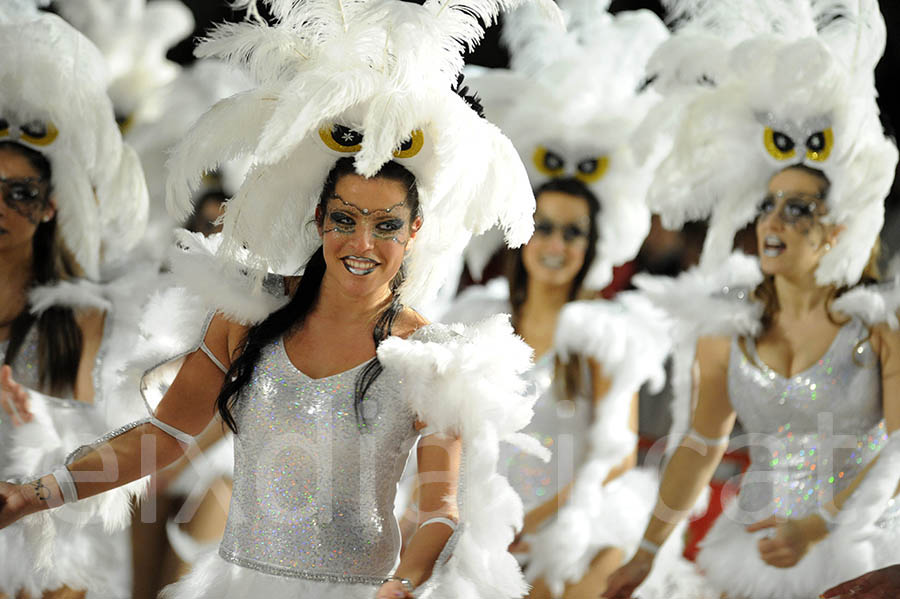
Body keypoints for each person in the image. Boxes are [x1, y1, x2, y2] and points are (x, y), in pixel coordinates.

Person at [0, 0, 563, 596]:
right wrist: (35, 493)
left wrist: (400, 585)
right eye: (345, 219)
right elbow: (163, 436)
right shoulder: (248, 317)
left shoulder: (430, 356)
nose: (361, 243)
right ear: (319, 218)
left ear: (414, 231)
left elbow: (439, 507)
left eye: (386, 225)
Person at [605, 2, 900, 598]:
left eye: (798, 209)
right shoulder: (726, 325)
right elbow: (699, 442)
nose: (774, 222)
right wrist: (645, 552)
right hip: (755, 557)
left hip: (861, 552)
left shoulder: (880, 327)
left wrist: (819, 526)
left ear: (838, 230)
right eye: (768, 205)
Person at [0, 4, 150, 598]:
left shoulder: (78, 319)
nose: (2, 208)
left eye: (20, 193)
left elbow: (76, 457)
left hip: (39, 536)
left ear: (51, 203)